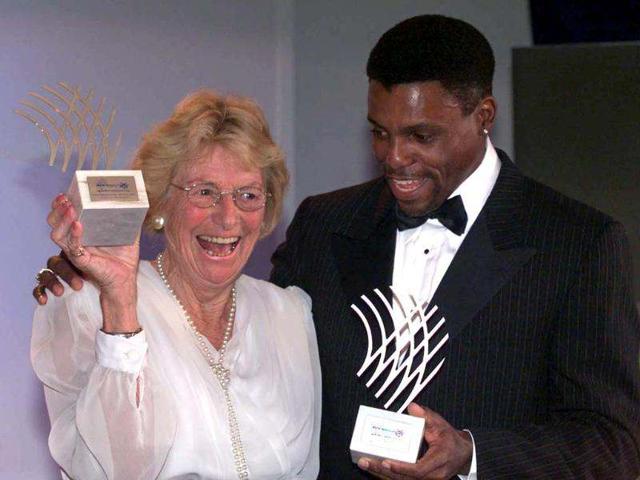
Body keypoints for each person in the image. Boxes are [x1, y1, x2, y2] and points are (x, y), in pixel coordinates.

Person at [35, 14, 640, 479]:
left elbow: (616, 442)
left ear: (483, 115)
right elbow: (209, 300)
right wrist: (96, 273)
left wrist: (473, 454)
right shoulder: (327, 224)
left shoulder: (579, 244)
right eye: (380, 133)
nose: (395, 158)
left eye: (421, 136)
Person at [31, 90, 321, 479]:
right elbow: (119, 471)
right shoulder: (86, 306)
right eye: (205, 192)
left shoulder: (290, 316)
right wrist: (120, 304)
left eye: (248, 195)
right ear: (162, 201)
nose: (228, 218)